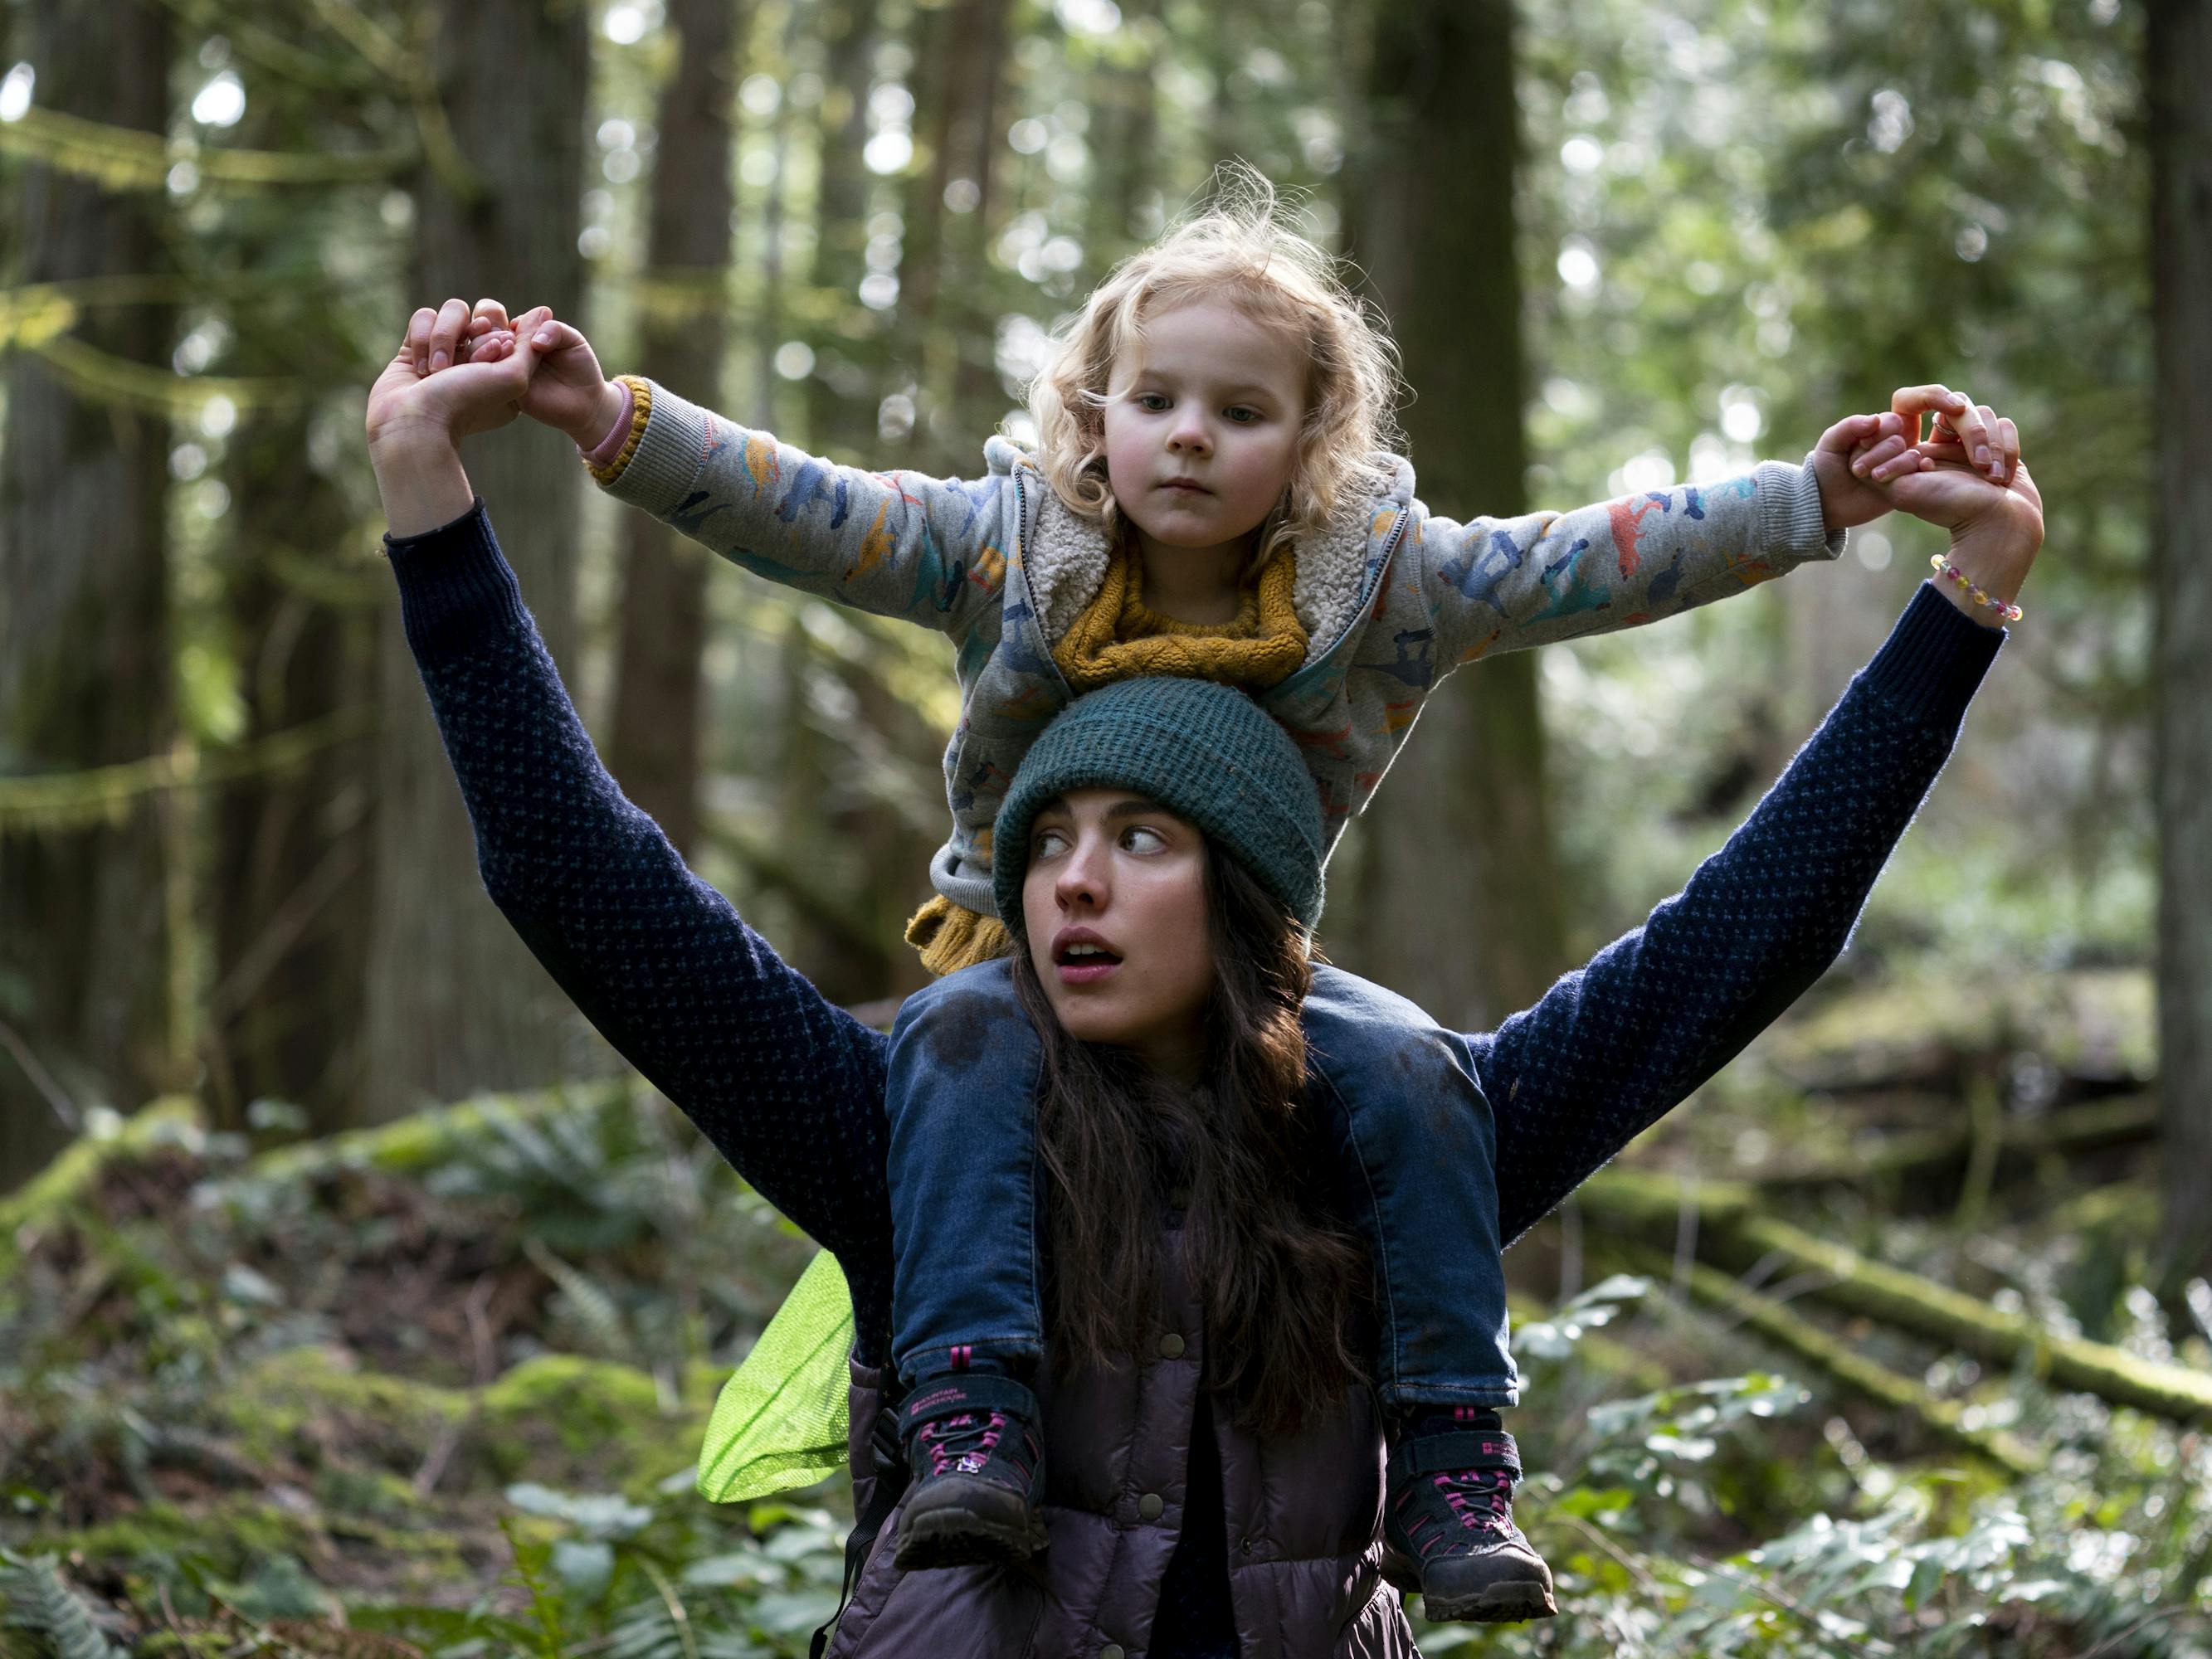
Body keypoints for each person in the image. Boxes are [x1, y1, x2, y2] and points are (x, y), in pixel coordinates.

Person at [417, 169, 2020, 1613]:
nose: (1070, 885)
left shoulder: (1396, 1141)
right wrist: (437, 503)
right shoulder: (918, 1122)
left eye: (1143, 840)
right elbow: (573, 873)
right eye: (1047, 840)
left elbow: (1757, 925)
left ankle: (1469, 1481)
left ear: (1250, 884)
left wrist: (1957, 600)